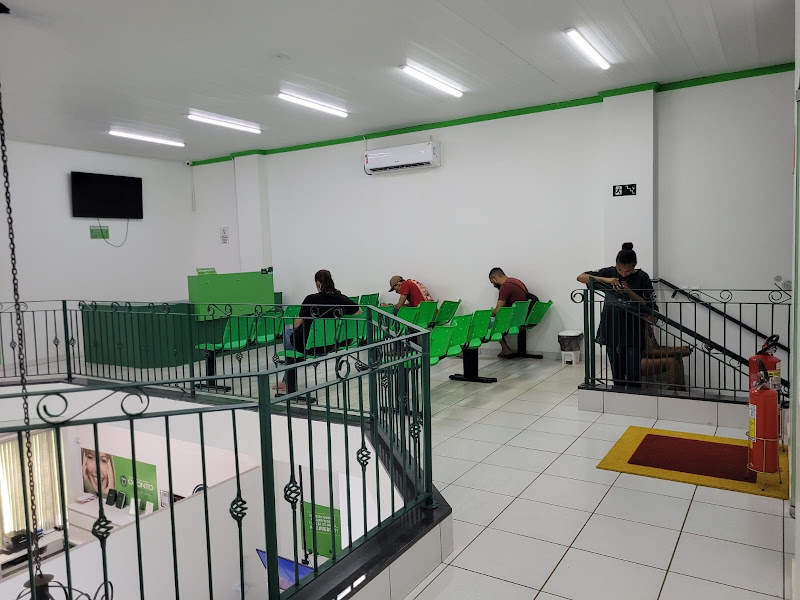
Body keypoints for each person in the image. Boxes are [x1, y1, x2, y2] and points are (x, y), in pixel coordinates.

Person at [577, 243, 656, 387]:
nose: (623, 274)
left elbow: (648, 304)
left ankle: (633, 396)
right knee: (616, 371)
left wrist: (629, 293)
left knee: (633, 373)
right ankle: (618, 396)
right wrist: (606, 280)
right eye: (620, 270)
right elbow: (581, 277)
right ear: (616, 264)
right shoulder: (609, 272)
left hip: (633, 330)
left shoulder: (642, 277)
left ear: (635, 265)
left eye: (628, 271)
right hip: (612, 328)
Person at [274, 270, 361, 394]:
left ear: (318, 283)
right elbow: (359, 311)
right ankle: (292, 371)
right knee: (293, 337)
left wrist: (293, 326)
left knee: (288, 330)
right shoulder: (342, 299)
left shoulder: (310, 299)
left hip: (308, 346)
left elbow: (297, 323)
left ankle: (289, 379)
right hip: (331, 345)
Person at [488, 268, 538, 358]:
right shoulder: (517, 282)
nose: (494, 286)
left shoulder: (505, 286)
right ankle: (506, 349)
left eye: (492, 282)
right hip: (522, 317)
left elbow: (498, 311)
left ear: (495, 278)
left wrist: (487, 315)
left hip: (514, 320)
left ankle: (505, 349)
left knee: (485, 321)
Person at [642, 323, 692, 391]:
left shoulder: (649, 327)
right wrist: (677, 352)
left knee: (677, 357)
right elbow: (648, 352)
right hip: (637, 360)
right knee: (672, 361)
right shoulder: (640, 326)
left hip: (648, 357)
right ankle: (674, 389)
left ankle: (681, 389)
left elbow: (657, 347)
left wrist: (678, 348)